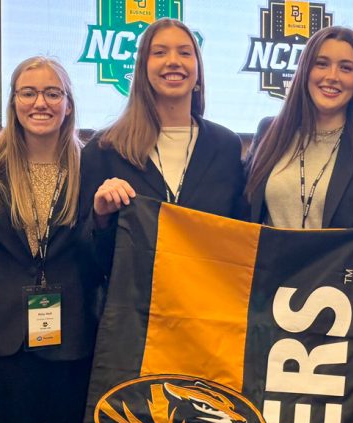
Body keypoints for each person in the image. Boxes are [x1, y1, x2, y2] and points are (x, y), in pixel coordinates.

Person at [0, 57, 97, 423]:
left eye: (52, 93)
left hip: (72, 346)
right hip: (7, 345)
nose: (40, 102)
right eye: (28, 92)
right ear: (13, 102)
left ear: (68, 104)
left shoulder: (92, 167)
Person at [244, 26, 353, 379]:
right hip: (267, 311)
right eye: (322, 64)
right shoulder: (269, 132)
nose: (332, 77)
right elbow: (241, 216)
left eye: (346, 67)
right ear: (305, 71)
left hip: (343, 315)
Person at [83, 17, 245, 272]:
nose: (173, 61)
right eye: (159, 52)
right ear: (142, 68)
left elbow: (241, 241)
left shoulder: (226, 147)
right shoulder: (105, 149)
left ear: (198, 70)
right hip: (134, 308)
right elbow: (86, 260)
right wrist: (100, 217)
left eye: (184, 52)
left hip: (207, 305)